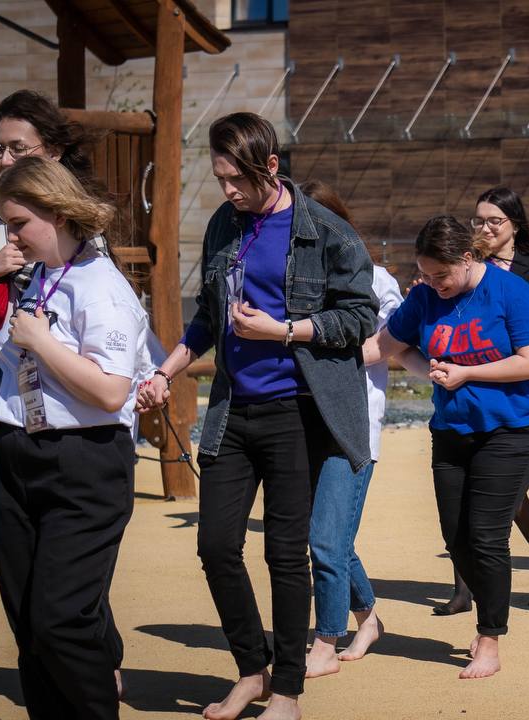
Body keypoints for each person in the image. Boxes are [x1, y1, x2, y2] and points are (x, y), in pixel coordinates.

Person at [136, 112, 377, 720]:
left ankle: (289, 693)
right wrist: (166, 371)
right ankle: (252, 669)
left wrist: (285, 331)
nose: (229, 192)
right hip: (233, 411)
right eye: (220, 179)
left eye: (237, 179)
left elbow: (359, 318)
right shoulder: (225, 223)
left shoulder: (325, 230)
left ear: (270, 166)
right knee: (216, 546)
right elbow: (207, 319)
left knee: (284, 554)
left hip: (299, 413)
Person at [0, 89, 114, 720]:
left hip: (59, 419)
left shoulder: (78, 228)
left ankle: (91, 663)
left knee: (53, 577)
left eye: (18, 147)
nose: (3, 158)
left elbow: (98, 340)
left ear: (53, 153)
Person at [0, 156, 146, 720]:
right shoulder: (42, 276)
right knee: (29, 623)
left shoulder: (102, 286)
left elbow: (110, 392)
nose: (12, 236)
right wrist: (0, 411)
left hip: (83, 465)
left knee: (60, 620)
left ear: (56, 213)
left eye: (19, 223)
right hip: (17, 455)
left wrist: (41, 343)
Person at [363, 215, 529, 677]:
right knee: (455, 537)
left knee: (486, 535)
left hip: (511, 430)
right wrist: (298, 345)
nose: (431, 283)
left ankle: (490, 637)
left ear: (468, 258)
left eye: (440, 275)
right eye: (425, 274)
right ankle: (490, 611)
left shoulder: (511, 292)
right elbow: (385, 346)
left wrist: (468, 373)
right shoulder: (425, 297)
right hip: (451, 431)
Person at [428, 186, 529, 614]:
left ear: (515, 224)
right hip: (463, 393)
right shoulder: (461, 264)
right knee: (466, 501)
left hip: (520, 394)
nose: (485, 228)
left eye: (495, 220)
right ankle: (464, 588)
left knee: (512, 500)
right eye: (479, 220)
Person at [297, 181, 394, 676]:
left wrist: (315, 349)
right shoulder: (295, 275)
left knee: (328, 541)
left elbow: (386, 343)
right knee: (330, 537)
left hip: (352, 424)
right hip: (301, 420)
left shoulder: (375, 277)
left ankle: (326, 641)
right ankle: (368, 616)